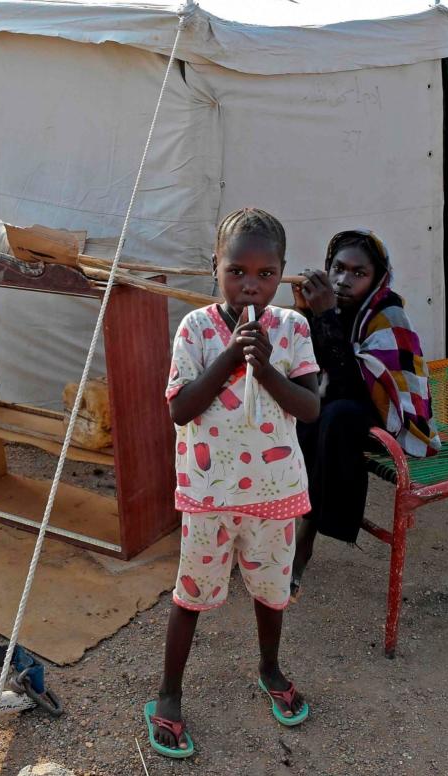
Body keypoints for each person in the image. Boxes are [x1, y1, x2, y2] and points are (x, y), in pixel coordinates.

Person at [145, 208, 320, 758]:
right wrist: (231, 357)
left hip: (273, 493)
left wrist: (265, 368)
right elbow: (181, 409)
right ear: (214, 268)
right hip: (210, 493)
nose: (251, 285)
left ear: (283, 273)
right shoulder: (195, 328)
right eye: (237, 271)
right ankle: (168, 693)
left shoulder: (293, 328)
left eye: (266, 274)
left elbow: (310, 408)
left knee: (271, 592)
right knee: (191, 594)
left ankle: (269, 669)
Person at [290, 229, 440, 598]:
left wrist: (324, 315)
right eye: (338, 268)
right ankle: (293, 531)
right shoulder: (326, 304)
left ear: (377, 279)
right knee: (308, 416)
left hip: (388, 408)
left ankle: (314, 535)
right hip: (339, 405)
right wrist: (307, 314)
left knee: (335, 414)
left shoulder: (388, 312)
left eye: (359, 273)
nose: (344, 280)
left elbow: (352, 384)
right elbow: (305, 364)